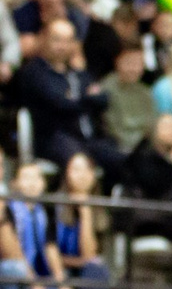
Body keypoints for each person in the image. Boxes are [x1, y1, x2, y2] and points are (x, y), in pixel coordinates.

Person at [16, 18, 124, 178]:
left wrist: (78, 99)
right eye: (57, 40)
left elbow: (103, 99)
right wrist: (86, 98)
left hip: (88, 138)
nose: (62, 46)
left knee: (122, 160)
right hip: (54, 139)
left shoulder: (76, 73)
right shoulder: (35, 72)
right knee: (79, 163)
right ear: (44, 39)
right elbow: (60, 104)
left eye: (68, 41)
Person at [4, 159, 71, 289]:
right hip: (21, 272)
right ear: (15, 183)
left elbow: (51, 247)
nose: (32, 183)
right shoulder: (9, 209)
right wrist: (34, 283)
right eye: (26, 177)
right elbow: (14, 251)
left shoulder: (44, 212)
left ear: (43, 184)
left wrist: (60, 281)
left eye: (37, 178)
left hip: (40, 275)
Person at [53, 150, 109, 289]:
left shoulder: (99, 209)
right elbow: (49, 251)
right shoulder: (54, 205)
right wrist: (77, 262)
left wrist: (85, 213)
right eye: (76, 169)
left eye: (87, 170)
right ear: (66, 174)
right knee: (96, 271)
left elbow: (90, 254)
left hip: (84, 270)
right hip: (57, 268)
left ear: (93, 176)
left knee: (98, 271)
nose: (82, 175)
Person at [100, 45, 160, 151]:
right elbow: (112, 128)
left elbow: (153, 125)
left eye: (139, 64)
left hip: (146, 147)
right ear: (117, 62)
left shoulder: (145, 92)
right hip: (119, 147)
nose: (134, 69)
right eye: (129, 63)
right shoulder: (106, 90)